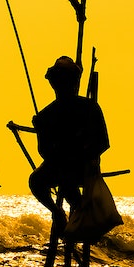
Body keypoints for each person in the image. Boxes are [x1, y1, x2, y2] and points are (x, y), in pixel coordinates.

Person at [29, 56, 109, 231]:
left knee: (67, 178)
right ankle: (58, 211)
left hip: (85, 167)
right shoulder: (45, 115)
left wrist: (81, 156)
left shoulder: (89, 108)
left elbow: (102, 142)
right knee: (36, 180)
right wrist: (41, 132)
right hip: (59, 168)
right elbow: (44, 152)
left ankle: (81, 213)